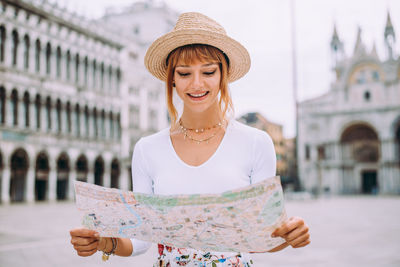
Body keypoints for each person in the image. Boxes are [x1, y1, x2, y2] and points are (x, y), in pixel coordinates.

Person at [70, 12, 310, 266]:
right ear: (172, 79)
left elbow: (263, 236)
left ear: (223, 75)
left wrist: (289, 235)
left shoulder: (256, 143)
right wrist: (103, 243)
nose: (196, 84)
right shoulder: (147, 149)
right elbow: (142, 239)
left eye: (208, 72)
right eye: (184, 73)